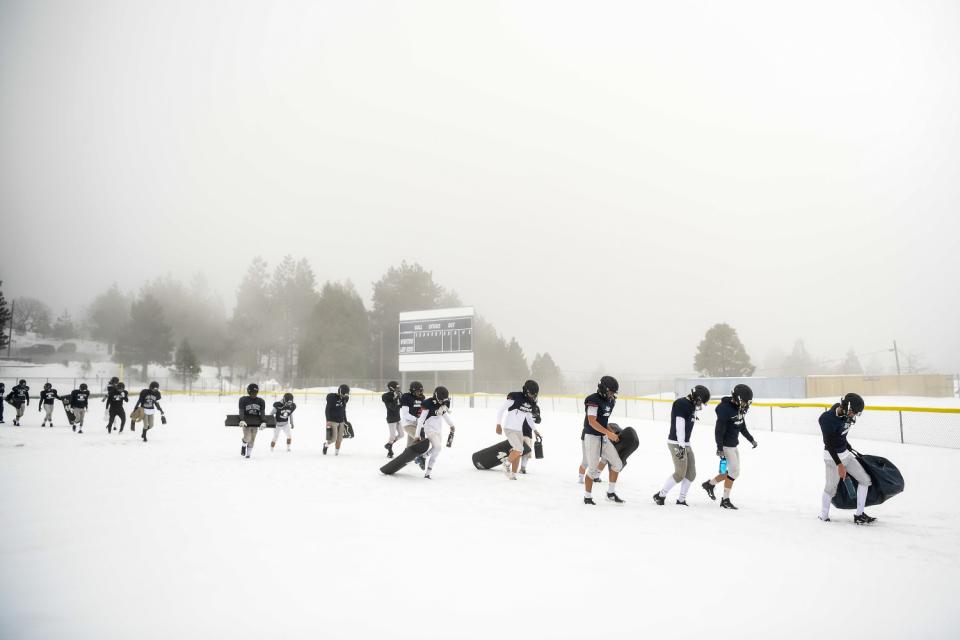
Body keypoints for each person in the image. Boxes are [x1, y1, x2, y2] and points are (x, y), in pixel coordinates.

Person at [819, 393, 876, 524]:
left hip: (845, 454)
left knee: (865, 480)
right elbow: (829, 444)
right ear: (846, 407)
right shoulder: (826, 418)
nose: (854, 415)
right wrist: (839, 465)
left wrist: (848, 446)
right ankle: (823, 516)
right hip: (832, 459)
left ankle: (859, 514)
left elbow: (841, 435)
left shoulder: (844, 414)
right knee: (830, 488)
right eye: (853, 412)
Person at [701, 384, 757, 510]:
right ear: (737, 398)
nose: (745, 404)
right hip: (726, 445)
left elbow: (742, 426)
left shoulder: (738, 409)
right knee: (734, 471)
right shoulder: (725, 409)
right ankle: (725, 500)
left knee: (734, 472)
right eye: (743, 401)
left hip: (733, 444)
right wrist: (719, 448)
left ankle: (709, 484)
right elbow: (718, 431)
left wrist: (751, 439)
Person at [654, 385, 711, 506]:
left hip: (685, 443)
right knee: (680, 473)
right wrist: (681, 446)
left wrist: (685, 444)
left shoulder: (691, 405)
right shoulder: (682, 404)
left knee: (691, 474)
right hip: (677, 442)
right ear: (696, 397)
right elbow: (679, 427)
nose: (700, 405)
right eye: (701, 402)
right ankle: (660, 495)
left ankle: (681, 499)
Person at [582, 376, 625, 505]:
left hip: (603, 437)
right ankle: (587, 497)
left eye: (613, 392)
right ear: (602, 389)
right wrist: (608, 434)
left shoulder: (611, 401)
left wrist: (610, 431)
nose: (612, 395)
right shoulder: (593, 400)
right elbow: (592, 421)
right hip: (592, 436)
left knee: (617, 464)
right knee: (593, 469)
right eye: (610, 391)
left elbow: (602, 421)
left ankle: (610, 493)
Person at [495, 379, 540, 480]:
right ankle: (506, 463)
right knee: (519, 449)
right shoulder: (515, 397)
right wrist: (498, 424)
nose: (533, 396)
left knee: (519, 452)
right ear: (526, 391)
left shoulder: (530, 402)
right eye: (531, 394)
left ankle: (513, 474)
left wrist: (535, 430)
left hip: (519, 430)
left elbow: (528, 417)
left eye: (534, 394)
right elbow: (501, 409)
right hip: (509, 428)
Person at [413, 386, 456, 479]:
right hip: (429, 429)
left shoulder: (444, 402)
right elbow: (421, 420)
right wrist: (417, 435)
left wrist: (451, 425)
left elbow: (444, 414)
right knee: (438, 447)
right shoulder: (428, 403)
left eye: (443, 400)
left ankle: (428, 473)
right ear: (435, 395)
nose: (442, 402)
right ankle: (422, 457)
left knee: (437, 450)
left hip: (438, 429)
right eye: (440, 399)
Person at [399, 381, 426, 466]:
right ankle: (420, 458)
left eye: (421, 391)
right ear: (412, 391)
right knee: (420, 440)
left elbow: (422, 410)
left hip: (417, 424)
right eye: (418, 391)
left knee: (410, 445)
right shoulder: (406, 397)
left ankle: (403, 457)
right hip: (408, 423)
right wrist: (417, 419)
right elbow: (405, 414)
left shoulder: (422, 398)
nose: (420, 393)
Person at [238, 383, 266, 458]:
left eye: (255, 393)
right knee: (247, 438)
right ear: (249, 392)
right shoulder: (243, 400)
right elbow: (241, 411)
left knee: (252, 440)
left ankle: (248, 455)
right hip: (246, 423)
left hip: (255, 423)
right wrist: (242, 420)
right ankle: (244, 445)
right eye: (252, 393)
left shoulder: (261, 401)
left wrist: (263, 421)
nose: (253, 394)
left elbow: (262, 413)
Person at [323, 384, 350, 456]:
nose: (345, 395)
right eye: (345, 393)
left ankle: (336, 453)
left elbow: (343, 410)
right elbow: (327, 409)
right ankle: (326, 445)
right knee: (333, 438)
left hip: (341, 420)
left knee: (340, 438)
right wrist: (328, 420)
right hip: (332, 420)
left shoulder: (345, 399)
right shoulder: (332, 398)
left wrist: (345, 421)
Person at [381, 380, 403, 458]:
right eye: (397, 387)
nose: (398, 389)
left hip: (398, 417)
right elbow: (392, 407)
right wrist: (395, 398)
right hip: (391, 418)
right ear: (392, 388)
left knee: (401, 434)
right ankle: (390, 451)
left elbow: (401, 406)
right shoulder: (386, 396)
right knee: (392, 436)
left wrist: (400, 398)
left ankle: (389, 444)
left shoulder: (399, 394)